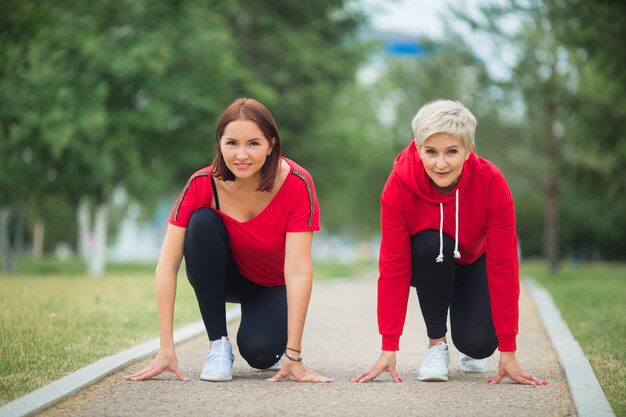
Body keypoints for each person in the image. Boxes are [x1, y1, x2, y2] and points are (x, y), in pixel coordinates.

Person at [126, 98, 333, 383]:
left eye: (254, 143)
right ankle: (218, 346)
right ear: (220, 143)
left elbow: (298, 269)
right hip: (223, 278)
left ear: (271, 144)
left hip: (270, 285)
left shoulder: (297, 183)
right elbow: (167, 265)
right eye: (232, 143)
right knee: (201, 222)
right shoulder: (202, 184)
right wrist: (165, 349)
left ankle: (270, 348)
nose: (242, 155)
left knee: (259, 354)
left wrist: (294, 356)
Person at [352, 99, 546, 385]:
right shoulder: (398, 185)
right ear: (418, 149)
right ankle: (437, 346)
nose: (440, 163)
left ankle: (470, 338)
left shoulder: (491, 182)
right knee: (433, 243)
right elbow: (393, 266)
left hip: (473, 260)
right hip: (430, 260)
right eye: (431, 152)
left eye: (451, 152)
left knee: (479, 344)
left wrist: (508, 351)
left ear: (469, 151)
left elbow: (504, 265)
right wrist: (388, 346)